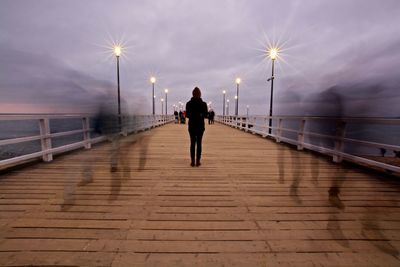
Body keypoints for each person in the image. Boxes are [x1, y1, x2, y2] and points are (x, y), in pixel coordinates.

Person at [186, 87, 208, 167]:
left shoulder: (188, 103)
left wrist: (193, 115)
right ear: (200, 94)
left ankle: (192, 161)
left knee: (192, 143)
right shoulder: (204, 104)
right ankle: (198, 161)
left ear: (192, 94)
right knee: (199, 143)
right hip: (200, 126)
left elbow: (187, 115)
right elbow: (206, 115)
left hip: (191, 125)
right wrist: (200, 114)